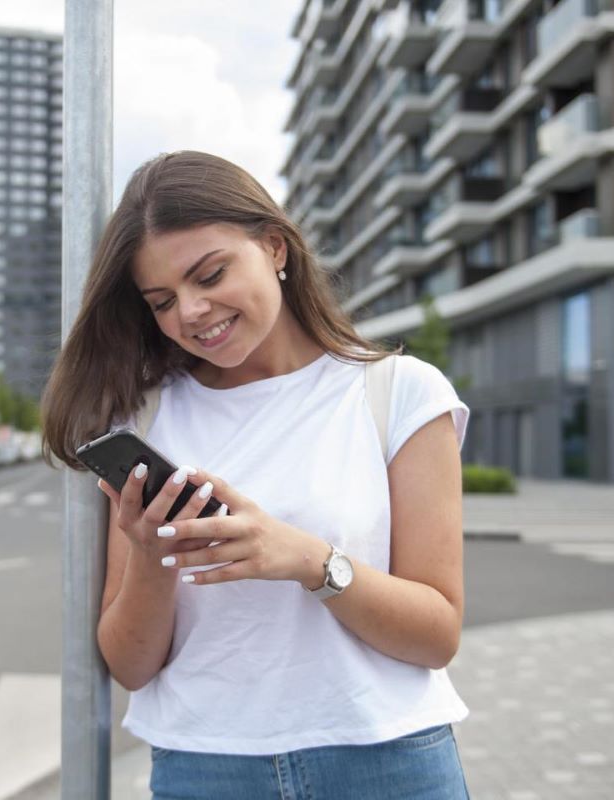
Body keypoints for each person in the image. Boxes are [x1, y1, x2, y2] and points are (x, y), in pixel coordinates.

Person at [42, 151, 471, 799]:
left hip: (386, 760)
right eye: (161, 301)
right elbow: (131, 665)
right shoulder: (147, 418)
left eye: (209, 275)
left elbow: (437, 634)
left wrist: (306, 559)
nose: (190, 311)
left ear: (274, 246)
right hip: (205, 768)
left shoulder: (398, 393)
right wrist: (150, 552)